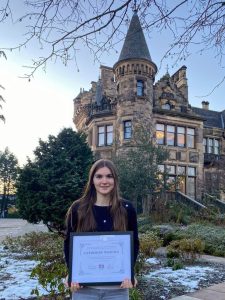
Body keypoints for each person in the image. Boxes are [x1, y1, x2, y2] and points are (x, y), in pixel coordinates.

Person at [64, 158, 139, 300]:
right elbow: (68, 243)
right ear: (92, 180)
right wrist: (72, 273)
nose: (104, 181)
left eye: (109, 176)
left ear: (115, 180)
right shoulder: (78, 208)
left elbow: (134, 243)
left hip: (118, 288)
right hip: (83, 288)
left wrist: (130, 271)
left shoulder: (127, 208)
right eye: (99, 176)